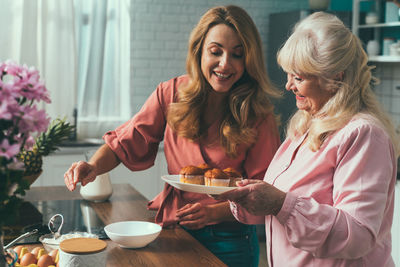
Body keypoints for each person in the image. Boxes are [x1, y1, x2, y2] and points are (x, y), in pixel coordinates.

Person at [63, 5, 281, 267]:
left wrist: (213, 212)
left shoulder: (257, 113)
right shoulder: (171, 93)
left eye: (237, 55)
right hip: (173, 230)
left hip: (230, 240)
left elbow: (264, 193)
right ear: (199, 50)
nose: (225, 63)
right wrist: (93, 167)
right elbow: (126, 140)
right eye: (215, 51)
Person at [217, 11, 400, 267]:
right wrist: (244, 197)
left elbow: (357, 234)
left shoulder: (363, 134)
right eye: (289, 74)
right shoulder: (304, 128)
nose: (289, 86)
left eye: (299, 77)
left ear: (335, 75)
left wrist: (281, 203)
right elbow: (281, 212)